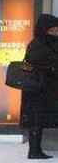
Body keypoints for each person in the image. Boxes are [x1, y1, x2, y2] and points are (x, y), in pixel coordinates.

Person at [21, 14, 58, 160]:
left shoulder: (46, 43)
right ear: (45, 30)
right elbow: (45, 64)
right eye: (53, 30)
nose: (56, 33)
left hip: (45, 89)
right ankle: (34, 151)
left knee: (39, 119)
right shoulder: (38, 45)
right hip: (38, 90)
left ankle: (36, 150)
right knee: (36, 120)